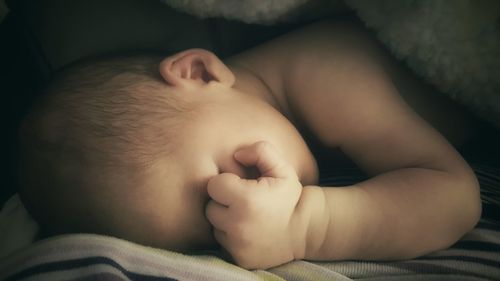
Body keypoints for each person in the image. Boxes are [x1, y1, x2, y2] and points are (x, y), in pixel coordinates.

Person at [18, 19, 481, 269]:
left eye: (235, 177)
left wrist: (306, 227)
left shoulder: (325, 74)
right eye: (217, 230)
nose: (248, 211)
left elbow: (454, 197)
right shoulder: (270, 116)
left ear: (200, 72)